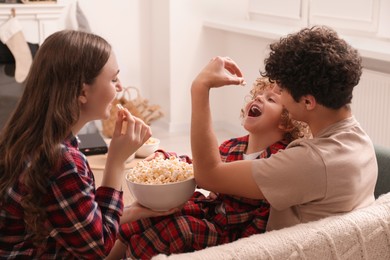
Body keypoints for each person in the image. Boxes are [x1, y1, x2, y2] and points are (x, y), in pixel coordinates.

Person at [0, 30, 176, 259]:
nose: (120, 87)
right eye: (113, 79)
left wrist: (131, 212)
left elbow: (69, 218)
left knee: (136, 229)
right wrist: (116, 162)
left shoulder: (25, 136)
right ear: (83, 91)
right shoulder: (62, 161)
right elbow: (98, 248)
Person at [190, 25, 378, 233]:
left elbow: (208, 175)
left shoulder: (311, 162)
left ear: (307, 102)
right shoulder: (361, 140)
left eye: (282, 89)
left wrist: (200, 88)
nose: (276, 91)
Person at [107, 77, 310, 259]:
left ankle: (135, 254)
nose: (258, 99)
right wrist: (165, 157)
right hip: (210, 211)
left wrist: (245, 250)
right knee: (155, 213)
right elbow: (199, 166)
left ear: (287, 122)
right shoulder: (233, 145)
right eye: (258, 95)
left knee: (177, 228)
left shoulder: (279, 159)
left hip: (232, 232)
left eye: (271, 99)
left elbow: (264, 216)